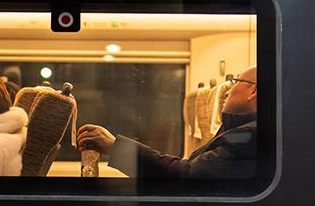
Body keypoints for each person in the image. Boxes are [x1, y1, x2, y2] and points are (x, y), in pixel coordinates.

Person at [76, 66, 259, 179]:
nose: (228, 90)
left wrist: (115, 147)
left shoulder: (249, 136)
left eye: (235, 82)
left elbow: (186, 177)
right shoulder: (237, 130)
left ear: (253, 91)